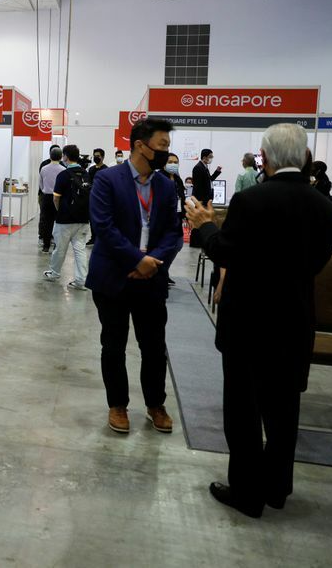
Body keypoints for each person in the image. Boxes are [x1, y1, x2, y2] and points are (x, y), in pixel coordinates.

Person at [186, 123, 332, 518]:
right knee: (285, 411)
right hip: (295, 322)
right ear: (304, 157)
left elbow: (226, 252)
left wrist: (204, 226)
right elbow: (318, 262)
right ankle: (277, 488)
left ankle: (247, 493)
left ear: (264, 158)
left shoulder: (250, 201)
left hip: (248, 323)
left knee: (244, 412)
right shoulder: (324, 206)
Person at [86, 118, 182, 435]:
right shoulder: (107, 179)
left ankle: (156, 404)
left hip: (151, 278)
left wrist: (152, 262)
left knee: (154, 346)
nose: (166, 153)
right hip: (114, 276)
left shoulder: (165, 185)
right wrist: (137, 259)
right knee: (113, 345)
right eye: (162, 145)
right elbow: (103, 227)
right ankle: (117, 405)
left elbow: (173, 232)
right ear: (141, 145)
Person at [43, 145, 90, 290]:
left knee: (60, 249)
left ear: (66, 156)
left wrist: (60, 211)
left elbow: (56, 198)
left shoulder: (63, 175)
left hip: (65, 219)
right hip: (83, 218)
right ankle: (81, 280)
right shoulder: (86, 174)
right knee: (80, 249)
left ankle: (54, 273)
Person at [160, 152, 187, 287]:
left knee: (178, 244)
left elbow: (182, 198)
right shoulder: (159, 178)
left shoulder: (177, 179)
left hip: (177, 217)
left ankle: (164, 271)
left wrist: (185, 215)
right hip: (163, 219)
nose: (173, 164)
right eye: (170, 162)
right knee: (165, 247)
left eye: (176, 162)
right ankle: (161, 274)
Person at [38, 147, 65, 252]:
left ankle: (46, 246)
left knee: (46, 222)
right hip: (59, 197)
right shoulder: (63, 169)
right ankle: (56, 246)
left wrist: (45, 190)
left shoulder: (44, 168)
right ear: (61, 157)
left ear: (50, 156)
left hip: (46, 197)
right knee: (58, 223)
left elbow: (40, 184)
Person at [86, 148, 108, 245]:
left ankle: (101, 238)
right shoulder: (91, 169)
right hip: (92, 197)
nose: (96, 158)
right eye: (94, 156)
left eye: (98, 156)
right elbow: (88, 182)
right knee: (92, 219)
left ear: (102, 157)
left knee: (101, 219)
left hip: (102, 198)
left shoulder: (106, 169)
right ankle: (93, 238)